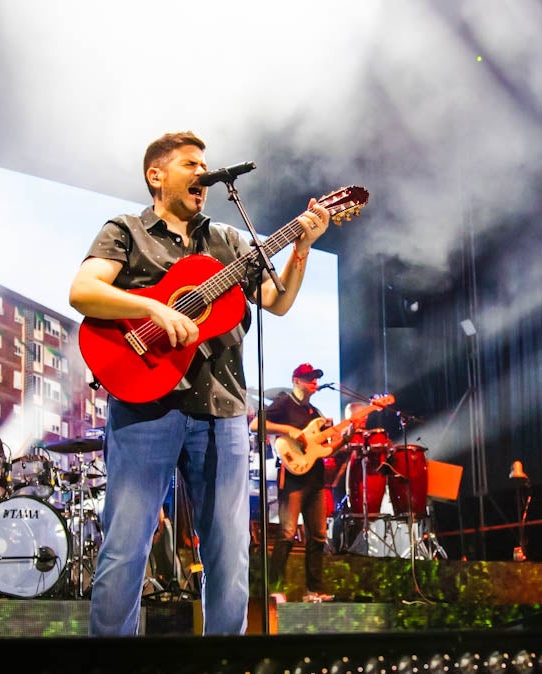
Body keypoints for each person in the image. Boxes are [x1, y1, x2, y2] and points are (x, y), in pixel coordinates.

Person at [69, 131, 330, 635]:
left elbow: (277, 302)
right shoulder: (125, 231)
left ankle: (225, 661)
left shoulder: (228, 241)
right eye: (192, 164)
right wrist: (151, 307)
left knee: (230, 550)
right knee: (126, 544)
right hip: (145, 404)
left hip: (223, 409)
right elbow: (83, 290)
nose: (203, 175)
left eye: (206, 166)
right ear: (156, 175)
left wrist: (302, 247)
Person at [249, 363, 335, 603]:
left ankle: (314, 590)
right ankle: (274, 589)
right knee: (287, 534)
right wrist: (288, 429)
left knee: (317, 536)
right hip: (294, 479)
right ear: (296, 380)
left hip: (315, 480)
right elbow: (255, 425)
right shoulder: (284, 403)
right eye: (309, 378)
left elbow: (325, 450)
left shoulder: (315, 413)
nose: (314, 383)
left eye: (316, 379)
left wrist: (344, 438)